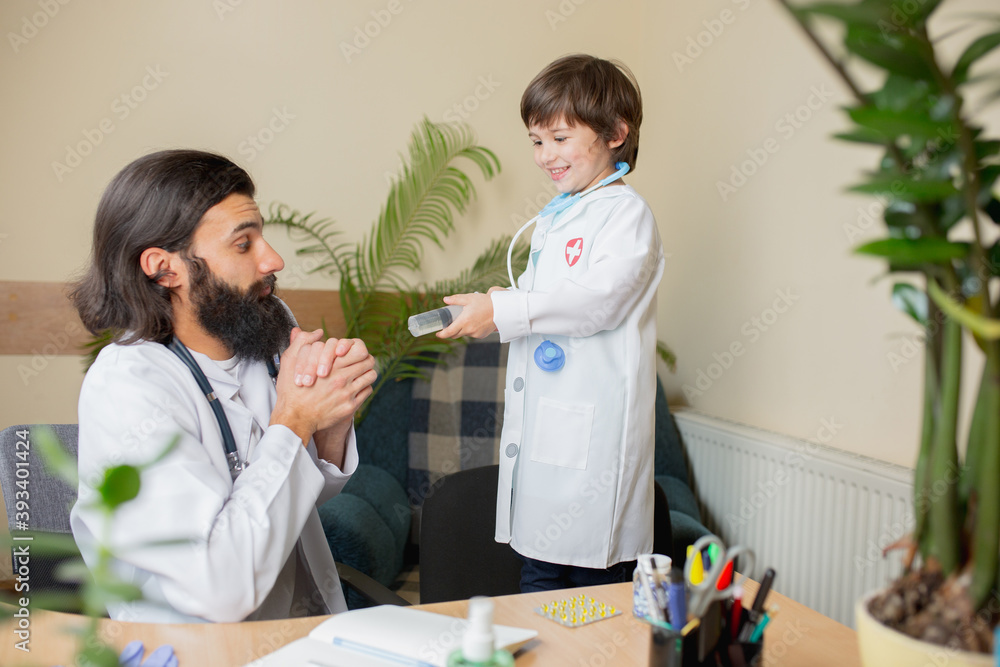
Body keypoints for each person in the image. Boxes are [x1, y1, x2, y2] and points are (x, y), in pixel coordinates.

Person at [68, 149, 377, 622]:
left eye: (262, 236)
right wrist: (295, 419)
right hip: (199, 648)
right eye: (243, 243)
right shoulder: (128, 388)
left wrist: (330, 421)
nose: (273, 259)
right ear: (163, 267)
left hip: (303, 635)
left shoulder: (257, 328)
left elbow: (293, 497)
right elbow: (220, 590)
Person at [439, 55, 665, 592]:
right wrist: (502, 303)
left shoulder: (625, 215)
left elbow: (599, 302)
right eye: (536, 141)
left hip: (594, 459)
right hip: (549, 450)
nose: (545, 156)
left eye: (559, 138)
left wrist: (505, 311)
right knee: (538, 579)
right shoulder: (562, 213)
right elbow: (556, 300)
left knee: (590, 598)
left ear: (615, 133)